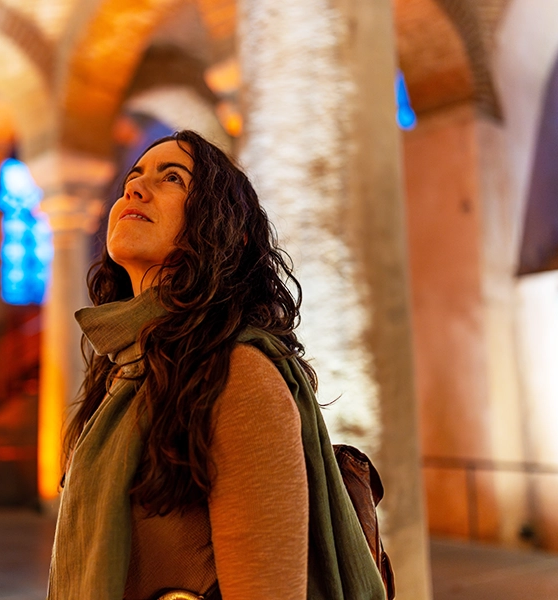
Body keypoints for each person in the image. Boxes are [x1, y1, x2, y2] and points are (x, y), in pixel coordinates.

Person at [46, 130, 386, 600]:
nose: (135, 189)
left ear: (227, 230)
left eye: (172, 178)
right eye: (134, 176)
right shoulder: (122, 371)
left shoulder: (237, 374)